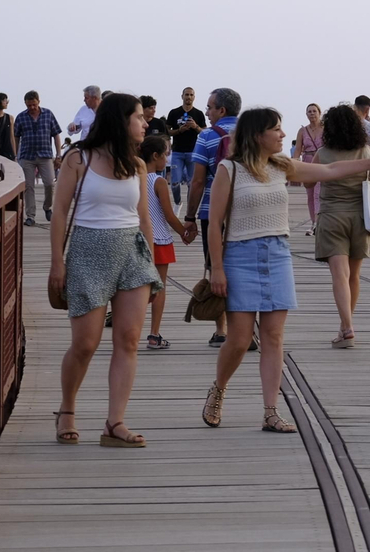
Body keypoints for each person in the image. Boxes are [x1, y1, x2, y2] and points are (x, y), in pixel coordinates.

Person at [200, 107, 370, 432]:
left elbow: (332, 169)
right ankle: (218, 389)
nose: (282, 134)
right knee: (238, 339)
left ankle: (270, 411)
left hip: (277, 254)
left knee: (274, 336)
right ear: (257, 135)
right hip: (240, 256)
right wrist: (216, 269)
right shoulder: (229, 169)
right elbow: (214, 223)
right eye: (276, 129)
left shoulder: (283, 166)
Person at [47, 92, 160, 448]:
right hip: (88, 250)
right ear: (120, 119)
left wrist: (152, 261)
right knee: (85, 344)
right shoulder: (77, 158)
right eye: (139, 117)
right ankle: (67, 409)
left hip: (131, 252)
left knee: (128, 339)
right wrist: (56, 262)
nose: (145, 123)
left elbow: (143, 218)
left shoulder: (138, 164)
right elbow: (60, 211)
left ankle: (115, 423)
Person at [314, 104, 370, 347]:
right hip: (360, 218)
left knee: (339, 275)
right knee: (353, 276)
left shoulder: (323, 153)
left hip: (331, 218)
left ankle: (346, 327)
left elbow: (307, 183)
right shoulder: (368, 152)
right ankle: (345, 326)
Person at [184, 88, 238, 347]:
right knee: (243, 268)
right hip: (247, 211)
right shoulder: (254, 133)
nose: (206, 112)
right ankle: (247, 328)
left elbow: (197, 181)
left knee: (217, 266)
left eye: (209, 107)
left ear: (222, 110)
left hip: (212, 212)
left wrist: (190, 216)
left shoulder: (206, 136)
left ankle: (222, 330)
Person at [141, 134, 191, 350]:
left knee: (137, 289)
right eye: (165, 154)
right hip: (159, 239)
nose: (167, 159)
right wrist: (184, 233)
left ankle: (129, 333)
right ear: (155, 156)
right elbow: (169, 215)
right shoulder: (158, 181)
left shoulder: (132, 179)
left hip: (137, 240)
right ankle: (154, 334)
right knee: (158, 288)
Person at [13, 91, 63, 227]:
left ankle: (47, 207)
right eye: (29, 105)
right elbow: (16, 137)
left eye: (34, 104)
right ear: (25, 104)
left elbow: (56, 134)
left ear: (38, 102)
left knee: (49, 184)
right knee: (29, 186)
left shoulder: (48, 114)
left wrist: (58, 154)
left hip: (45, 155)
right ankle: (30, 216)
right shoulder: (21, 117)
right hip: (26, 156)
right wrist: (16, 155)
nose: (32, 107)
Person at [166, 88, 206, 204]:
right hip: (177, 151)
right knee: (174, 183)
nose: (189, 97)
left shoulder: (198, 114)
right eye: (186, 95)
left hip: (193, 152)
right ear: (182, 96)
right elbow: (167, 131)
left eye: (191, 95)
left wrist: (195, 126)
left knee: (191, 183)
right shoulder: (174, 112)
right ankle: (178, 203)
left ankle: (190, 209)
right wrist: (179, 130)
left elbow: (204, 132)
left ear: (194, 97)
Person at [294, 103, 323, 231]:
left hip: (322, 162)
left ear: (319, 113)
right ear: (306, 114)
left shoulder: (326, 128)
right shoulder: (302, 131)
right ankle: (313, 222)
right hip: (307, 161)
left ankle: (318, 222)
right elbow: (298, 150)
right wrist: (294, 165)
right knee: (310, 194)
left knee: (318, 192)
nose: (312, 113)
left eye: (314, 111)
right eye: (309, 111)